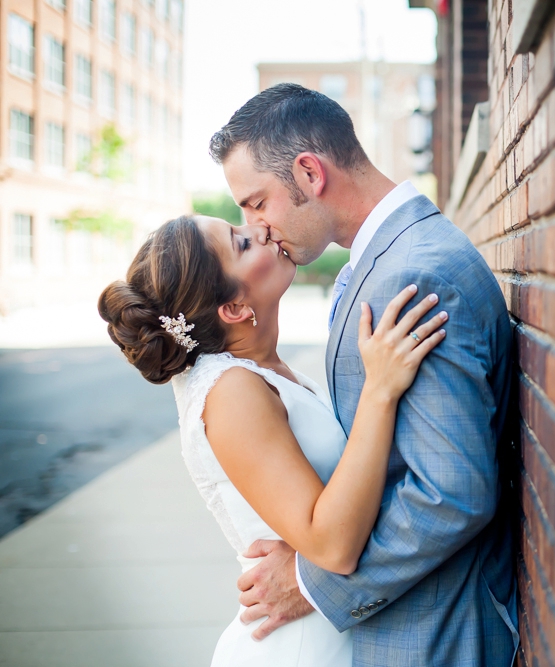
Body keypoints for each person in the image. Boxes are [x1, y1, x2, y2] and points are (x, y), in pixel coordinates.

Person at [210, 82, 518, 666]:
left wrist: (310, 585)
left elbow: (450, 493)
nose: (255, 224)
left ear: (308, 172)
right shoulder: (383, 258)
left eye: (255, 202)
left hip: (437, 634)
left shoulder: (414, 275)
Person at [99, 215, 447, 666]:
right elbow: (333, 545)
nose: (260, 228)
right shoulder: (230, 391)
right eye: (241, 243)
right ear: (234, 309)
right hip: (301, 647)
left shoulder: (261, 371)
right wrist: (380, 390)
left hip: (332, 627)